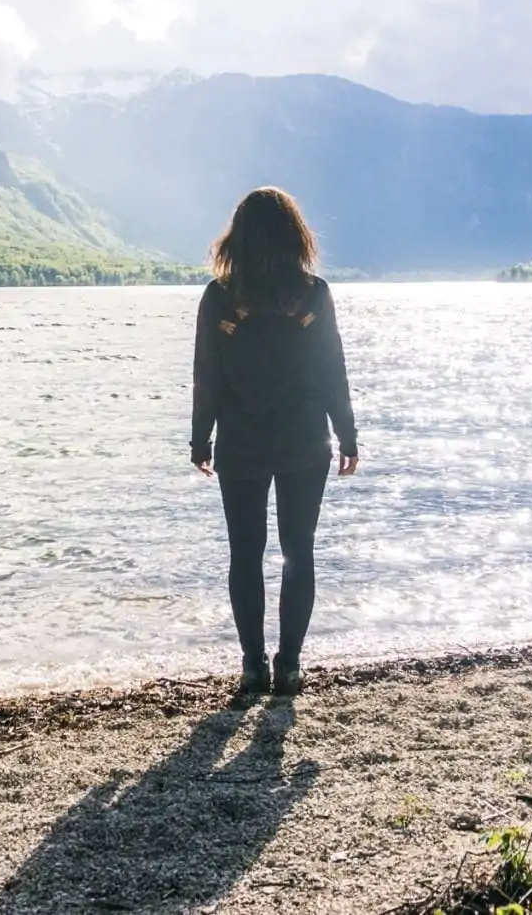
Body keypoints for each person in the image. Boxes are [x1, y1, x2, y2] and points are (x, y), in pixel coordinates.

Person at [190, 186, 358, 698]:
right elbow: (332, 370)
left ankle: (251, 666)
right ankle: (289, 666)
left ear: (237, 238)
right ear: (295, 235)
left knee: (245, 555)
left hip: (241, 442)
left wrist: (201, 439)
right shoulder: (314, 293)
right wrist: (347, 433)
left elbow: (207, 375)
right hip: (305, 441)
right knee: (298, 552)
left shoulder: (219, 296)